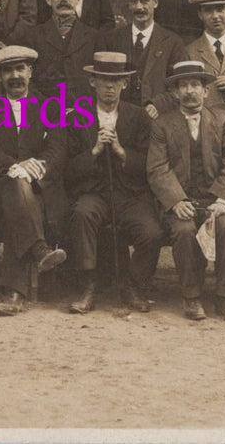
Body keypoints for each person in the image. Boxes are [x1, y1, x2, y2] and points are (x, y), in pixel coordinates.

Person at [0, 45, 67, 316]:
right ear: (0, 76)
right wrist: (13, 166)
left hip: (42, 189)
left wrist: (34, 169)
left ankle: (15, 294)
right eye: (8, 70)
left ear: (30, 71)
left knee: (21, 206)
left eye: (20, 69)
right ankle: (39, 250)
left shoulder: (49, 105)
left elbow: (58, 148)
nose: (15, 75)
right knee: (15, 192)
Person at [147, 61, 225, 322]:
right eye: (183, 85)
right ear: (176, 93)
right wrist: (176, 201)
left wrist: (223, 199)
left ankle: (224, 297)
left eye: (195, 85)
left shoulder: (223, 120)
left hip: (215, 201)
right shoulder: (162, 125)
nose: (190, 91)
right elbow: (157, 168)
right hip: (182, 201)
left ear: (205, 90)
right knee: (184, 230)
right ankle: (191, 297)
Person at [65, 52, 162, 314]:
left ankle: (133, 284)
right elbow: (67, 168)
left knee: (151, 232)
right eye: (103, 79)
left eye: (116, 80)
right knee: (82, 214)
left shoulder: (140, 117)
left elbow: (151, 165)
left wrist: (122, 152)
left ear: (125, 84)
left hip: (130, 194)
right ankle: (89, 285)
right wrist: (94, 151)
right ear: (93, 82)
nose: (110, 86)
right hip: (94, 193)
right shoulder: (77, 117)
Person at [96, 0, 186, 117]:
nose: (139, 7)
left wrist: (158, 104)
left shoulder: (172, 42)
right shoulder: (112, 39)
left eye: (144, 1)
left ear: (155, 2)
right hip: (120, 118)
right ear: (129, 5)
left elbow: (180, 85)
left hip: (159, 120)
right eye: (133, 1)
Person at [14, 0, 96, 100]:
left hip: (85, 111)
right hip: (45, 112)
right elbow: (27, 79)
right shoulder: (32, 36)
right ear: (48, 0)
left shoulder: (94, 37)